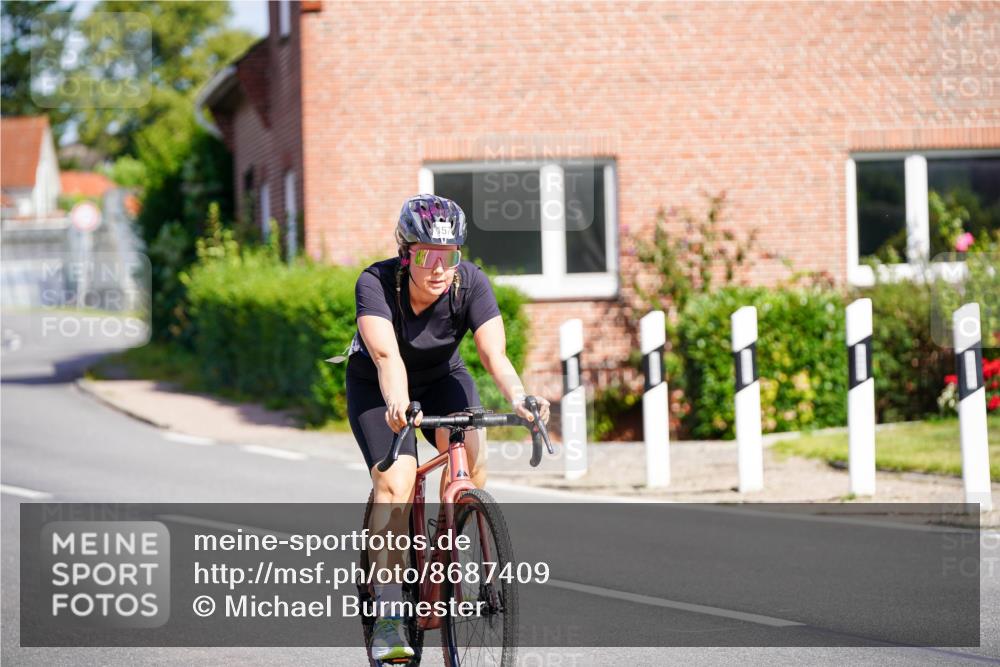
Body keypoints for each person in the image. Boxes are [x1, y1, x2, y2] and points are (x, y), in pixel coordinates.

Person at [344, 194, 550, 661]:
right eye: (427, 256)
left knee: (473, 459)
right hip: (379, 386)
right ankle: (391, 612)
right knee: (396, 481)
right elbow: (385, 356)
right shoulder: (375, 282)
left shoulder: (469, 283)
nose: (439, 268)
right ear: (406, 253)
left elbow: (494, 355)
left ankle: (448, 528)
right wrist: (397, 402)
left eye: (450, 256)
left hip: (442, 378)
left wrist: (520, 397)